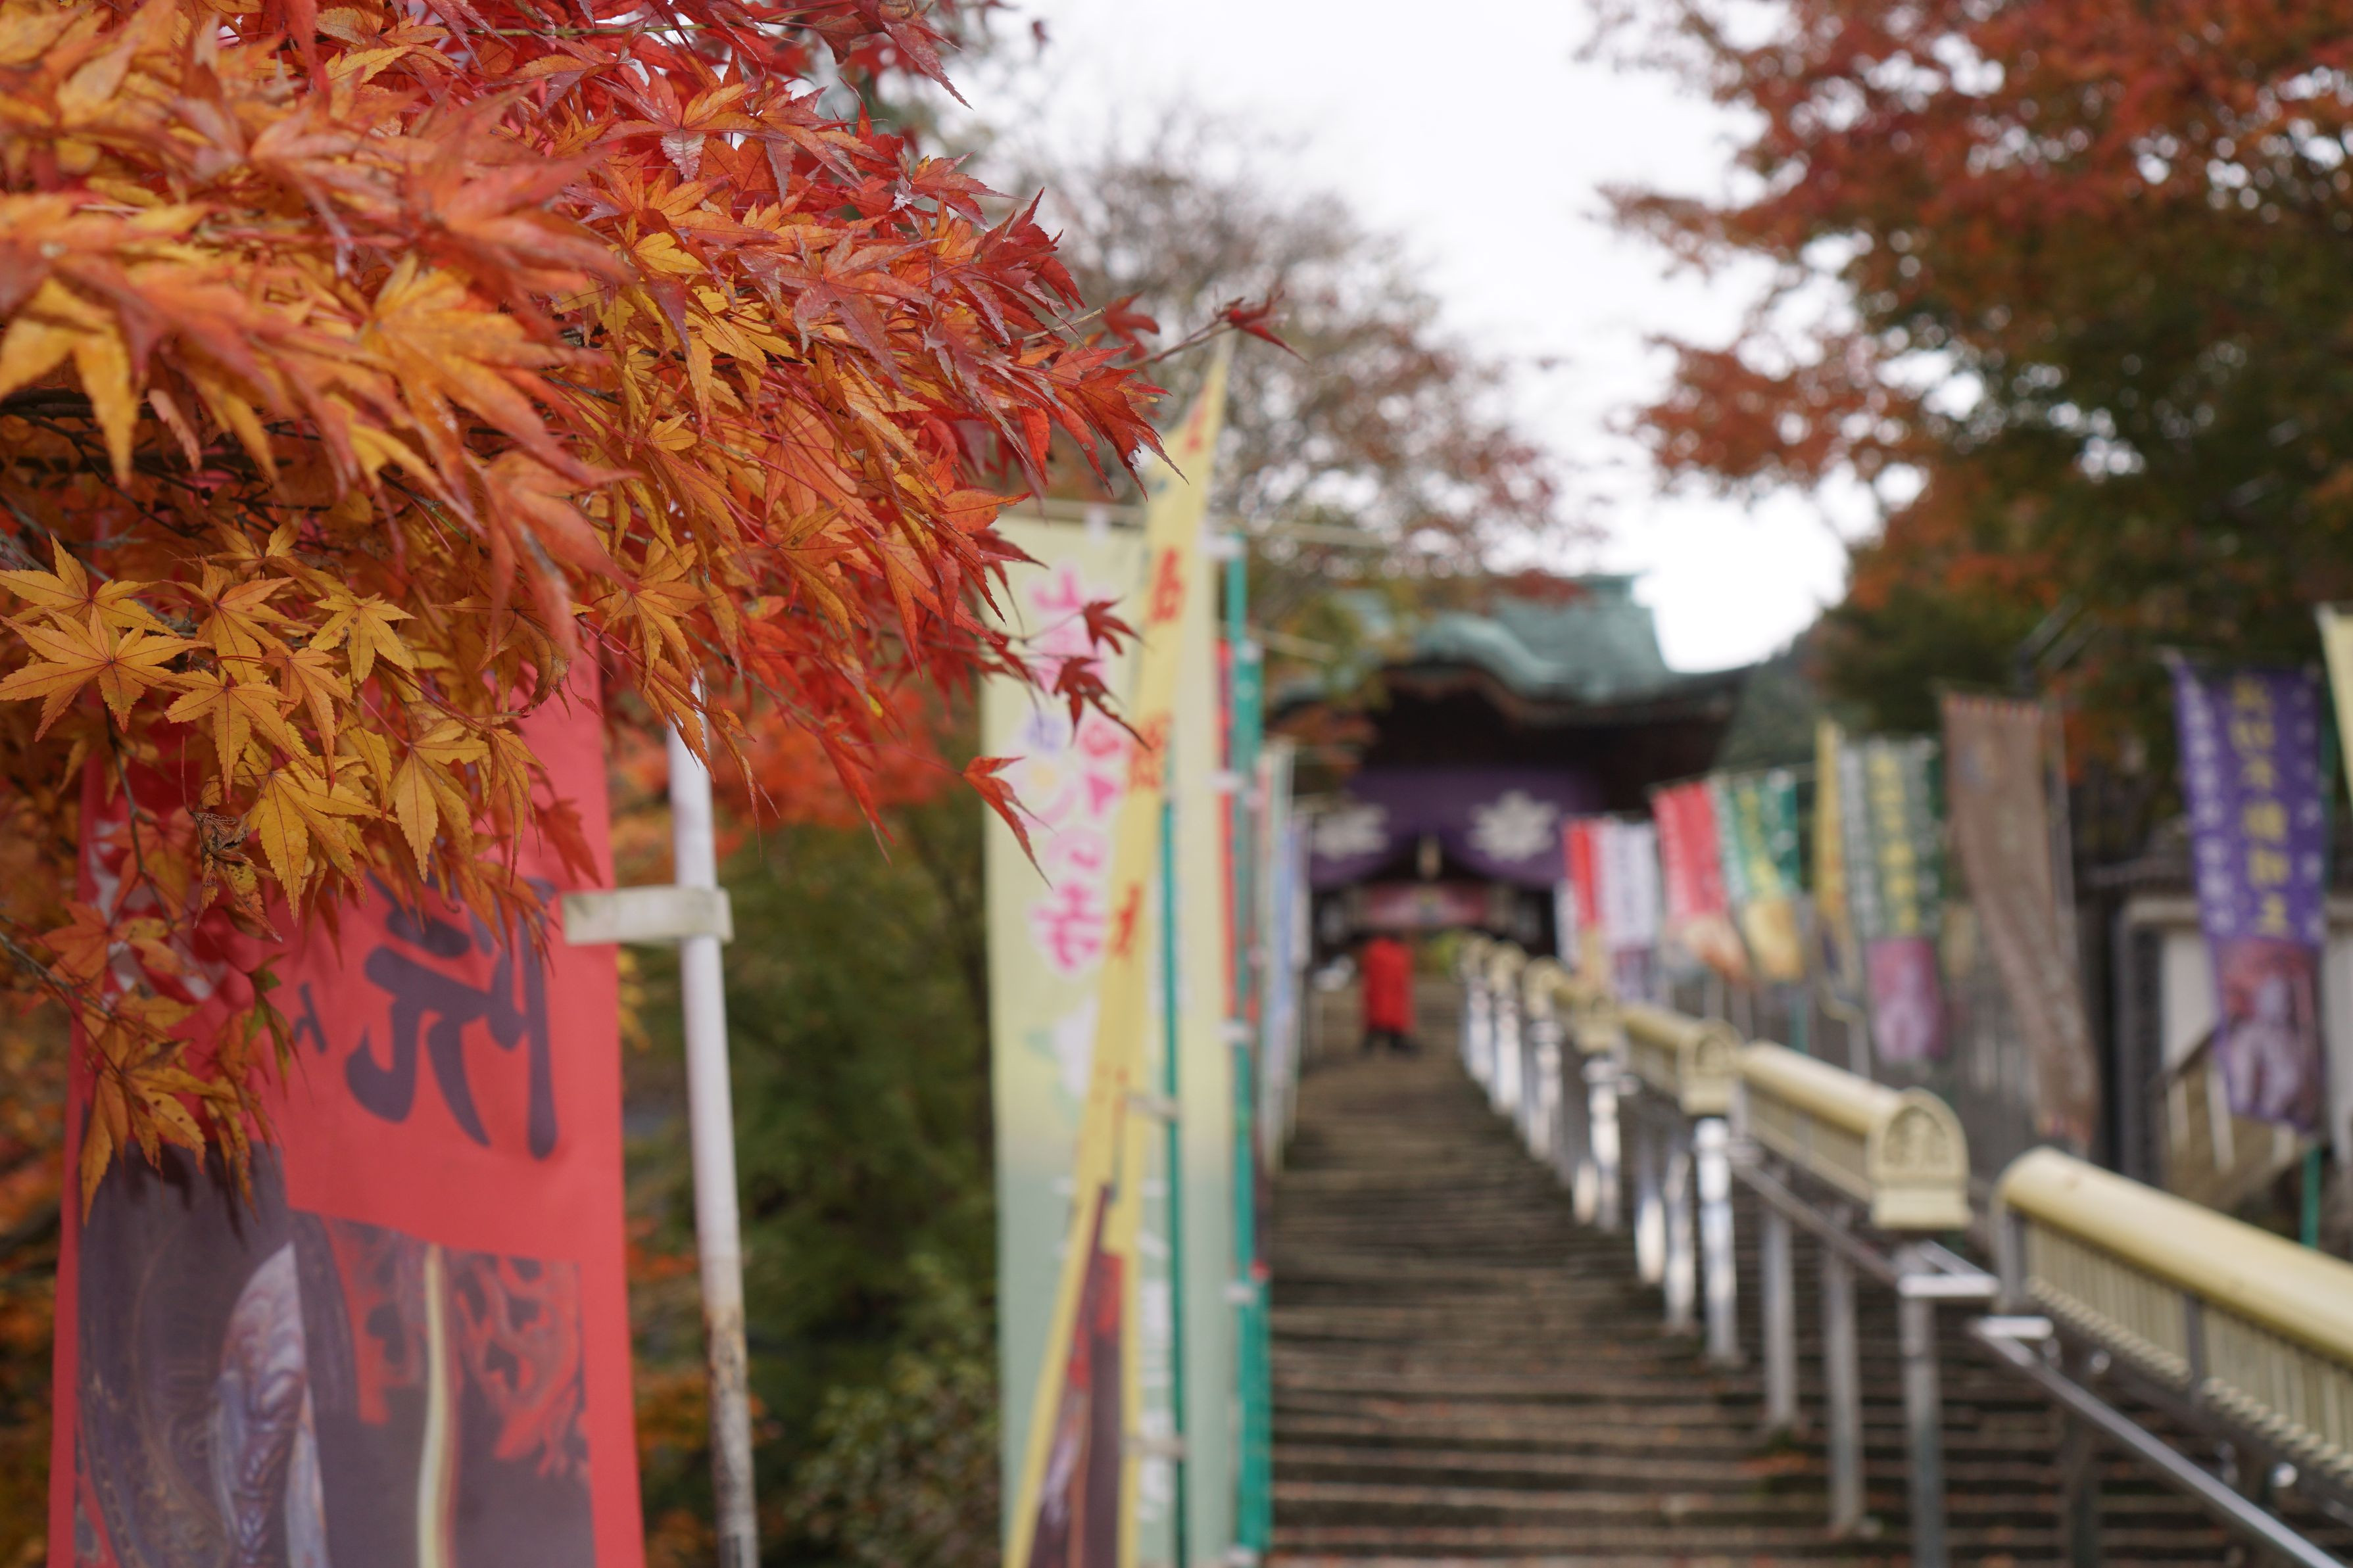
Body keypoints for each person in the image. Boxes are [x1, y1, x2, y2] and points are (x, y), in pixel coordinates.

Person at [1360, 932, 1416, 1055]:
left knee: (1378, 1021)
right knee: (1387, 1020)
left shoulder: (1376, 950)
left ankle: (1377, 1044)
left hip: (1383, 996)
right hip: (1390, 995)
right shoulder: (1398, 952)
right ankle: (1391, 1043)